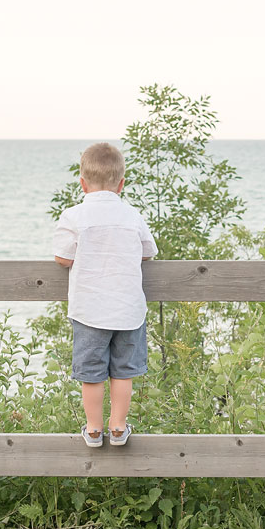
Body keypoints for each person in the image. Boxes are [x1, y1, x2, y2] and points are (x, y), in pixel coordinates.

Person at [53, 142, 157, 447]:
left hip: (90, 310)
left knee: (92, 373)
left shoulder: (74, 216)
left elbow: (62, 257)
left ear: (82, 183)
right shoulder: (132, 215)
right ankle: (118, 427)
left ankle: (94, 429)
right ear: (121, 184)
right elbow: (148, 252)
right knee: (123, 371)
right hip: (128, 310)